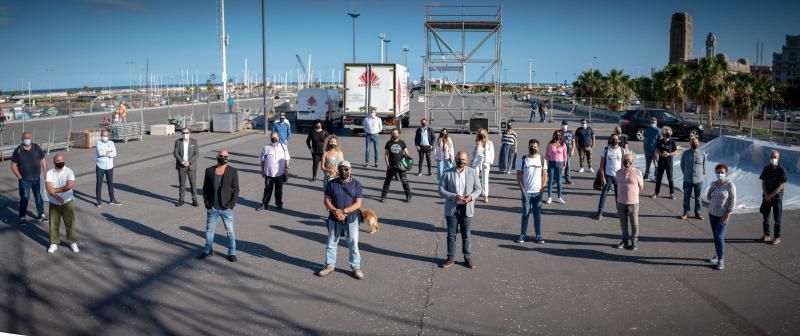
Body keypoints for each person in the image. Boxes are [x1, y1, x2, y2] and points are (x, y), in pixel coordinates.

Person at [318, 161, 365, 280]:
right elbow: (326, 200)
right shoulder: (332, 183)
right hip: (334, 218)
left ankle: (355, 267)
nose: (343, 171)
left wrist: (343, 211)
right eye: (341, 169)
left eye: (346, 169)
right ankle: (329, 265)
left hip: (351, 219)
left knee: (353, 244)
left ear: (350, 170)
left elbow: (358, 204)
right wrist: (335, 211)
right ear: (338, 170)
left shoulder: (357, 185)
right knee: (331, 243)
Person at [438, 151, 482, 269]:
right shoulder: (447, 173)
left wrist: (471, 197)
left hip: (467, 208)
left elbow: (478, 188)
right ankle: (450, 258)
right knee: (451, 235)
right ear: (455, 159)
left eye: (463, 159)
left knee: (466, 234)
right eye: (458, 159)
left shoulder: (472, 172)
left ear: (467, 161)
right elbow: (441, 190)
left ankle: (467, 257)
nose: (460, 161)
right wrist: (453, 196)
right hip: (452, 208)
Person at [197, 150, 240, 262]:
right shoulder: (209, 171)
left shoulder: (232, 171)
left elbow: (236, 189)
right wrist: (207, 204)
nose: (223, 157)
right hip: (213, 207)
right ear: (217, 157)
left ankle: (231, 252)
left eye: (225, 156)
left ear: (228, 158)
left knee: (230, 231)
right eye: (221, 156)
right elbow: (205, 189)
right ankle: (208, 250)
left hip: (226, 208)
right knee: (209, 231)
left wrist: (231, 204)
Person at [11, 131, 47, 225]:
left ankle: (41, 214)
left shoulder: (36, 147)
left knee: (38, 197)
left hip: (36, 178)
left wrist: (44, 170)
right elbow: (13, 165)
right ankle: (22, 217)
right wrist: (19, 177)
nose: (27, 140)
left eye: (29, 138)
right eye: (25, 138)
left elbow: (42, 159)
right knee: (24, 198)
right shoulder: (18, 150)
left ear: (31, 138)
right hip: (24, 179)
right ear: (22, 139)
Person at [45, 154, 78, 254]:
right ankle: (54, 243)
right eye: (57, 161)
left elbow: (70, 185)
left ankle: (72, 242)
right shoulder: (50, 173)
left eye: (61, 160)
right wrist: (57, 197)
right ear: (54, 162)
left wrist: (56, 190)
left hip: (68, 202)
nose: (60, 162)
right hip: (54, 202)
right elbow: (48, 187)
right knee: (54, 223)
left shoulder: (69, 171)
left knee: (70, 223)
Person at [516, 139, 548, 244]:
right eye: (531, 146)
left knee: (537, 214)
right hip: (526, 193)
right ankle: (522, 235)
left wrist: (543, 188)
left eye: (535, 147)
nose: (533, 148)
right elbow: (519, 176)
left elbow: (545, 175)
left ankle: (538, 235)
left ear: (538, 147)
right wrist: (523, 191)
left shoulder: (542, 159)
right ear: (528, 146)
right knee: (525, 214)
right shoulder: (523, 159)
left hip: (538, 193)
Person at [706, 164, 736, 270]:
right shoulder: (713, 184)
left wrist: (727, 215)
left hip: (723, 216)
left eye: (722, 172)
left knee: (719, 236)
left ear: (726, 173)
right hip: (712, 213)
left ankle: (721, 259)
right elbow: (708, 196)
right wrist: (711, 195)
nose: (720, 174)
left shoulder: (730, 185)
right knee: (715, 236)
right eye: (718, 172)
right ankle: (717, 254)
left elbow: (732, 202)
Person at [615, 153, 644, 250]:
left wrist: (632, 192)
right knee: (623, 223)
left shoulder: (638, 172)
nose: (627, 162)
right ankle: (625, 240)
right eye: (625, 159)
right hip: (621, 202)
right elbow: (617, 184)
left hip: (633, 203)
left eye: (629, 160)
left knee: (634, 224)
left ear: (632, 161)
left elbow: (641, 187)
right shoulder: (618, 172)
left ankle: (634, 241)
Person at [760, 150, 787, 245]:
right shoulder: (766, 169)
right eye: (771, 157)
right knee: (765, 217)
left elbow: (780, 186)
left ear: (778, 158)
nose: (773, 159)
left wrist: (770, 195)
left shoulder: (782, 170)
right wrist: (766, 194)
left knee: (777, 219)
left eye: (775, 157)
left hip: (777, 198)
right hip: (766, 197)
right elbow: (763, 182)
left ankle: (777, 237)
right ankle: (766, 235)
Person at [259, 132, 291, 211]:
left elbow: (287, 158)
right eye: (272, 137)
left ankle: (279, 204)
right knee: (267, 190)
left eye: (275, 137)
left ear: (278, 138)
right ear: (270, 138)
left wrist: (286, 167)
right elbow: (262, 160)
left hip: (279, 173)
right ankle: (264, 204)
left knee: (279, 190)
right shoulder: (266, 148)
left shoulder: (283, 147)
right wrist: (262, 171)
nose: (274, 139)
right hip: (269, 173)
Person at [596, 134, 623, 220]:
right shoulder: (606, 149)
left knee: (618, 196)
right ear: (610, 140)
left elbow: (623, 165)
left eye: (616, 138)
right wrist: (602, 177)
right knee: (603, 194)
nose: (614, 140)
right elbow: (601, 166)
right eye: (613, 138)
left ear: (619, 140)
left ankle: (619, 212)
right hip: (608, 176)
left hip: (618, 176)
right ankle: (600, 212)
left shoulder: (622, 150)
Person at [381, 128, 412, 203]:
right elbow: (386, 155)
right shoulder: (388, 143)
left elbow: (407, 154)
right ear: (391, 134)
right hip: (391, 166)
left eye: (396, 133)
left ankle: (408, 196)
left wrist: (405, 164)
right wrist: (388, 164)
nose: (395, 134)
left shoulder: (402, 143)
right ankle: (383, 196)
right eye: (393, 133)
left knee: (405, 182)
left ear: (398, 134)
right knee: (387, 182)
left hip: (401, 166)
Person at [680, 137, 706, 219]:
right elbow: (682, 165)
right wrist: (686, 174)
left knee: (698, 197)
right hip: (687, 179)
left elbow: (704, 166)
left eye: (695, 142)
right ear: (690, 143)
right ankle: (686, 212)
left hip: (699, 180)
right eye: (692, 142)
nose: (694, 143)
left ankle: (697, 212)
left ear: (698, 143)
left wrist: (701, 174)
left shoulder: (702, 153)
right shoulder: (685, 153)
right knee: (686, 197)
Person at [173, 128, 199, 207]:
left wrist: (189, 162)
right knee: (182, 184)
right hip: (182, 166)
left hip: (191, 166)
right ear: (181, 134)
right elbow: (176, 153)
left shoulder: (194, 142)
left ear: (189, 133)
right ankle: (181, 200)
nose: (185, 134)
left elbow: (197, 154)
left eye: (187, 132)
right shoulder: (178, 142)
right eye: (183, 133)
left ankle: (194, 200)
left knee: (193, 184)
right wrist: (183, 162)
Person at [95, 130, 121, 207]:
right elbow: (100, 153)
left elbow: (115, 153)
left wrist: (106, 153)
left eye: (106, 136)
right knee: (99, 183)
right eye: (103, 135)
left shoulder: (111, 143)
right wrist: (109, 152)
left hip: (110, 166)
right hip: (100, 166)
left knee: (110, 182)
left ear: (108, 136)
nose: (105, 137)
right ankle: (98, 201)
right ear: (101, 136)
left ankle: (112, 199)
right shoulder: (98, 143)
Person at [652, 126, 678, 199]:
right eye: (665, 132)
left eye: (668, 133)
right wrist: (661, 154)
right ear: (663, 133)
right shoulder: (660, 141)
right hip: (661, 162)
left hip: (669, 162)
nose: (666, 134)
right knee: (659, 178)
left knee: (670, 178)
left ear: (670, 134)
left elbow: (675, 151)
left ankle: (672, 193)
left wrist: (669, 154)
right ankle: (656, 193)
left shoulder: (672, 142)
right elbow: (656, 150)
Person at [470, 128, 495, 203]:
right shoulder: (476, 143)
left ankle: (485, 195)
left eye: (483, 134)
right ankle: (474, 194)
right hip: (477, 162)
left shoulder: (490, 143)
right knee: (475, 178)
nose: (482, 135)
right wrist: (472, 161)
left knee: (485, 179)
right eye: (481, 134)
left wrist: (489, 162)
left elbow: (492, 154)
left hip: (485, 162)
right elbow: (472, 153)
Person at [544, 131, 567, 204]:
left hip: (560, 164)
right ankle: (549, 197)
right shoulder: (550, 144)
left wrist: (564, 166)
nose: (558, 136)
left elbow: (565, 156)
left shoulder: (563, 145)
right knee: (550, 181)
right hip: (552, 164)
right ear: (554, 135)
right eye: (557, 135)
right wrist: (544, 165)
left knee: (559, 182)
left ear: (561, 136)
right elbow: (546, 155)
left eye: (559, 135)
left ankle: (559, 197)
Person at [642, 117, 661, 181]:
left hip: (655, 150)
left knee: (656, 164)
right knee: (648, 163)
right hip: (647, 149)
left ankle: (656, 177)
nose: (652, 123)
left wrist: (658, 149)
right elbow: (645, 136)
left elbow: (660, 141)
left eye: (653, 122)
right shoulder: (648, 129)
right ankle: (646, 175)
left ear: (656, 123)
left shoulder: (658, 131)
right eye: (651, 122)